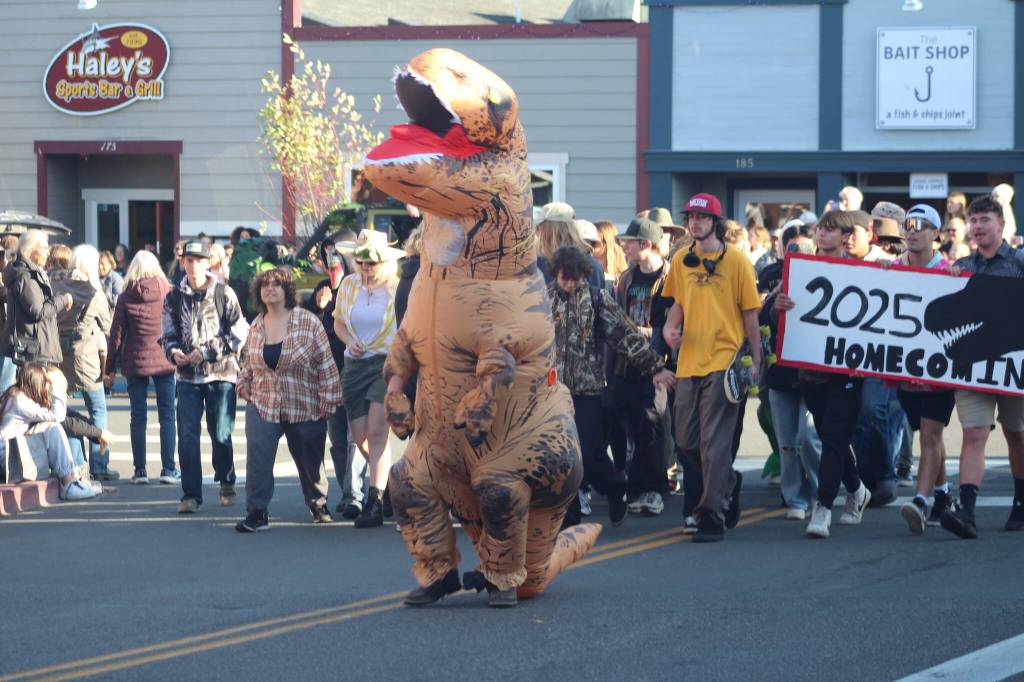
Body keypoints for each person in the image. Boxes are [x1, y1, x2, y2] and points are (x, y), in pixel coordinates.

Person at [661, 193, 761, 542]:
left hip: (724, 359)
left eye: (701, 219)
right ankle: (729, 483)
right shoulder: (681, 260)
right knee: (686, 440)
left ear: (715, 223)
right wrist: (668, 328)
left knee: (714, 445)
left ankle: (710, 516)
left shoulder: (736, 261)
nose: (694, 223)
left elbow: (751, 312)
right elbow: (678, 303)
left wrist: (756, 360)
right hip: (689, 360)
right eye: (690, 218)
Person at [548, 245, 665, 528]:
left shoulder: (597, 299)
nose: (571, 284)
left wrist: (655, 366)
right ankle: (570, 515)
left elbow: (625, 335)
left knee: (588, 452)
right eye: (565, 278)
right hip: (551, 391)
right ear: (556, 274)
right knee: (559, 456)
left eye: (576, 279)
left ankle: (615, 486)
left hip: (588, 389)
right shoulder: (541, 300)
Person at [774, 211, 872, 538]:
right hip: (811, 370)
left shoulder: (862, 269)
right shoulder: (801, 268)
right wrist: (779, 305)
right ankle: (856, 488)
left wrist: (886, 272)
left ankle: (824, 507)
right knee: (834, 435)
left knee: (831, 436)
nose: (822, 235)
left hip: (847, 367)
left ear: (846, 236)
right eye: (820, 229)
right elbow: (767, 311)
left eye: (830, 230)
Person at [940, 195, 1024, 538]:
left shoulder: (1019, 263)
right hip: (972, 366)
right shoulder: (962, 266)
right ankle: (967, 510)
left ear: (1001, 224)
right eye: (973, 221)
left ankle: (1020, 502)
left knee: (1016, 435)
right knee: (974, 433)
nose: (977, 227)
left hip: (1013, 367)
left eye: (985, 220)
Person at [235, 268, 343, 531]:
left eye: (276, 284)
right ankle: (257, 512)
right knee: (258, 455)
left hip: (304, 403)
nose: (270, 289)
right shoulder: (257, 325)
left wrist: (329, 400)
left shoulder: (308, 322)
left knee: (310, 459)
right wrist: (242, 383)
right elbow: (248, 362)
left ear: (287, 291)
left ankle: (317, 502)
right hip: (264, 401)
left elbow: (326, 364)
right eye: (265, 285)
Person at [882, 205, 956, 534]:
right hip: (905, 372)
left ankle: (920, 501)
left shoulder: (948, 269)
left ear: (935, 233)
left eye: (920, 225)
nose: (911, 231)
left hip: (939, 372)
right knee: (930, 437)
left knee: (929, 436)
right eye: (907, 225)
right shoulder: (891, 268)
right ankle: (942, 493)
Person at [161, 240, 249, 514]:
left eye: (199, 260)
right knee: (187, 436)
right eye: (189, 260)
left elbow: (239, 332)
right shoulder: (174, 297)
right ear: (183, 262)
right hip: (187, 377)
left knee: (221, 432)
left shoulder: (224, 292)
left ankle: (226, 479)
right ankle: (191, 494)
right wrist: (174, 352)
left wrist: (208, 352)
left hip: (220, 374)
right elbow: (166, 334)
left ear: (208, 262)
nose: (194, 265)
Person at [333, 229, 402, 528]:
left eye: (371, 263)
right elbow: (338, 322)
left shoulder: (398, 289)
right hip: (354, 365)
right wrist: (349, 341)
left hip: (386, 364)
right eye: (361, 262)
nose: (365, 267)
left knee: (376, 431)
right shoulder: (348, 285)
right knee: (361, 439)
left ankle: (373, 500)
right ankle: (388, 483)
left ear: (384, 262)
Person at [613, 217, 673, 516]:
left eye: (629, 242)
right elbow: (619, 318)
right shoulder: (626, 278)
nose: (624, 247)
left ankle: (654, 490)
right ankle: (636, 488)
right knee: (632, 427)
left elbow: (673, 322)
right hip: (629, 364)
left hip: (661, 363)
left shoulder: (671, 276)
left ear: (646, 244)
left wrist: (645, 333)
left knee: (653, 425)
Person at [761, 227, 821, 520]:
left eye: (804, 248)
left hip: (813, 375)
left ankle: (821, 492)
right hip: (781, 376)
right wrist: (774, 307)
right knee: (786, 442)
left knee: (809, 436)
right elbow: (760, 321)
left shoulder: (826, 280)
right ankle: (794, 498)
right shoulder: (774, 284)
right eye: (792, 248)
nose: (798, 253)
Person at [107, 250, 179, 485]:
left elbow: (116, 334)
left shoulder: (126, 295)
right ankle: (168, 469)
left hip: (135, 361)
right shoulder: (168, 292)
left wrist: (110, 367)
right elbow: (177, 326)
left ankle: (140, 471)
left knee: (138, 417)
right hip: (165, 360)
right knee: (167, 415)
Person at [51, 245, 114, 480]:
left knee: (60, 410)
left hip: (57, 359)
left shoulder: (55, 285)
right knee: (97, 408)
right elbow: (108, 327)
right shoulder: (94, 292)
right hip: (86, 358)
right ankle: (99, 466)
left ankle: (73, 462)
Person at [0, 364, 101, 500]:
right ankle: (68, 482)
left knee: (49, 426)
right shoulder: (19, 400)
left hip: (10, 455)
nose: (46, 387)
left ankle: (71, 478)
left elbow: (65, 415)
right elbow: (57, 416)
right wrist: (55, 386)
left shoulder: (16, 394)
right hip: (8, 459)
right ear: (37, 382)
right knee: (52, 427)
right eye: (45, 382)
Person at [1, 230, 72, 372]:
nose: (48, 253)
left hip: (33, 347)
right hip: (31, 350)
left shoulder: (31, 273)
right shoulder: (26, 276)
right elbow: (38, 312)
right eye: (44, 248)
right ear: (30, 251)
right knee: (32, 391)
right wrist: (63, 299)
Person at [535, 202, 604, 290]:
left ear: (549, 230)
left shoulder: (537, 266)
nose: (536, 231)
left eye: (539, 227)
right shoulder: (591, 264)